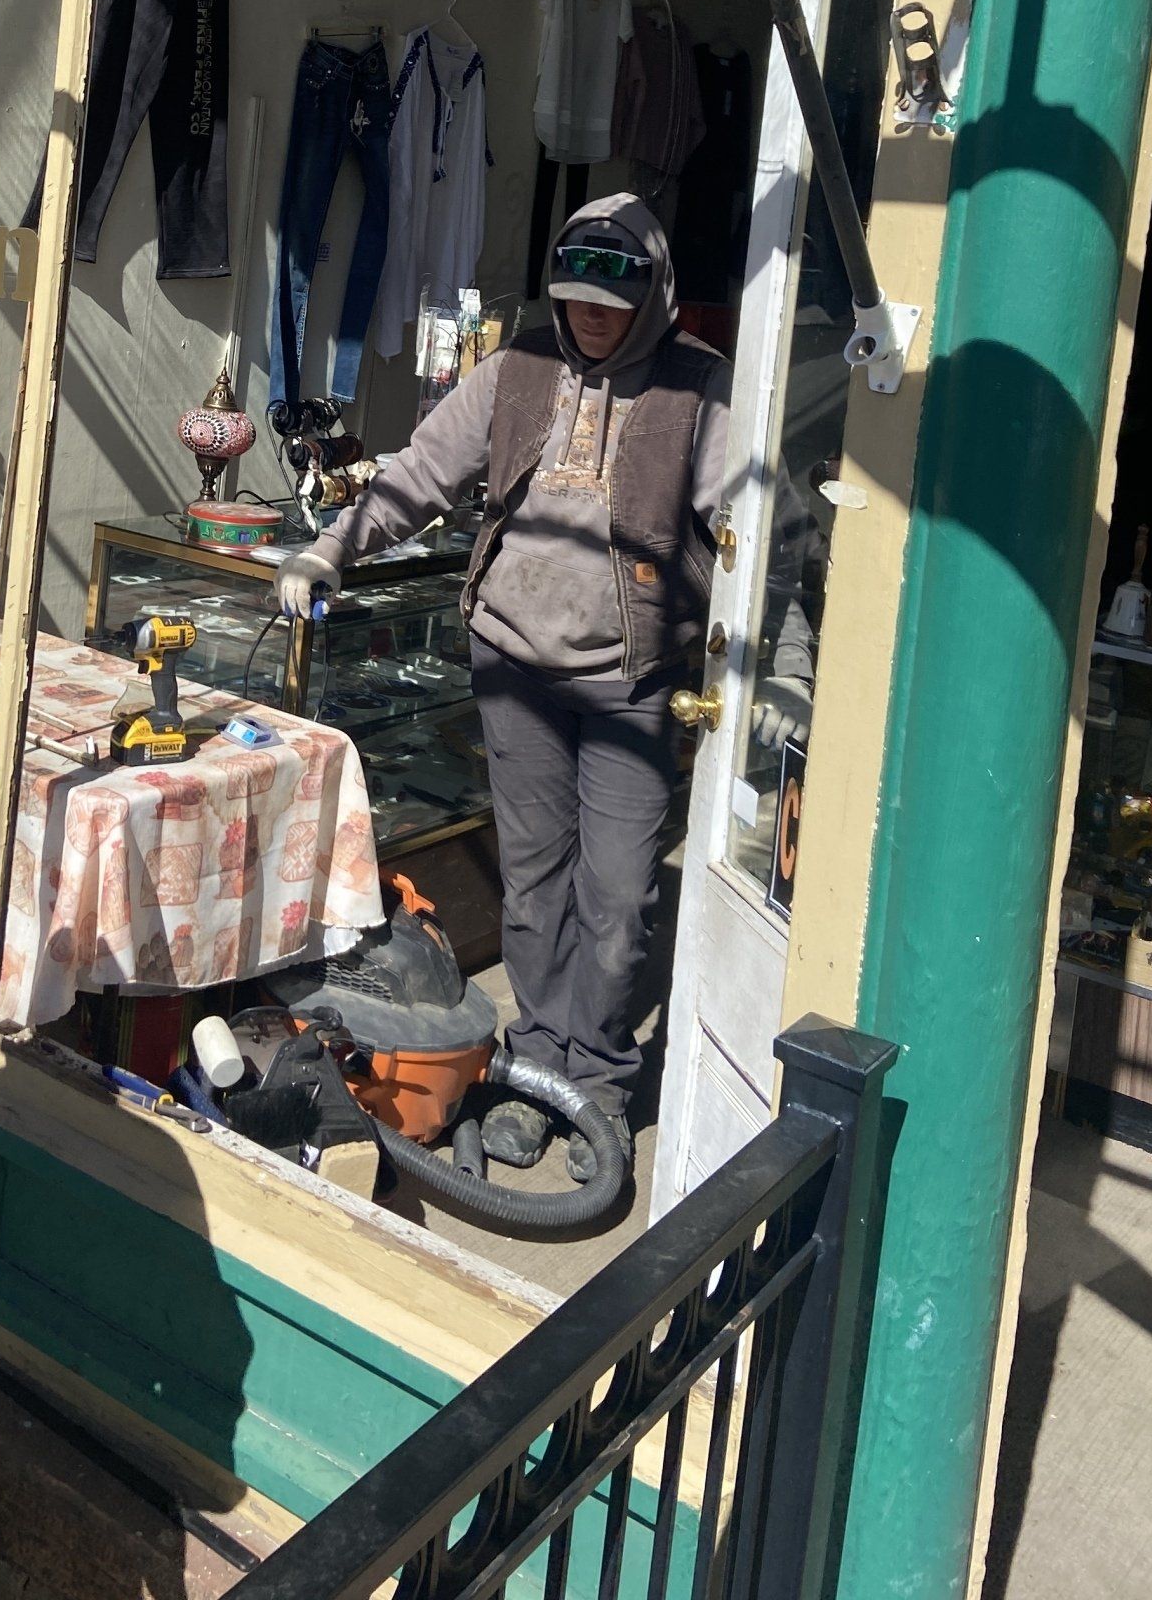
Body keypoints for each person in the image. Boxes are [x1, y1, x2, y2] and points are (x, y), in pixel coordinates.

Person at [276, 193, 811, 1194]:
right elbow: (418, 477)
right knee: (534, 883)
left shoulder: (699, 391)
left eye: (612, 303)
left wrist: (787, 667)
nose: (592, 319)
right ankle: (534, 1064)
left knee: (615, 896)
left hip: (631, 676)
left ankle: (597, 1075)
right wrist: (328, 549)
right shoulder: (518, 368)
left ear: (652, 294)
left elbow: (769, 537)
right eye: (575, 302)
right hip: (511, 664)